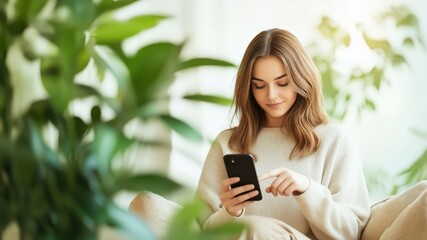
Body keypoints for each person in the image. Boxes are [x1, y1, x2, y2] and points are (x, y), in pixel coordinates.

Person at [195, 28, 371, 239]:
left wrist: (307, 190)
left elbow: (350, 231)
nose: (271, 95)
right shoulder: (227, 143)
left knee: (254, 229)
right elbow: (203, 230)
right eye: (259, 86)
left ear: (301, 79)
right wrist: (230, 213)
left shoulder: (335, 139)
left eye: (282, 83)